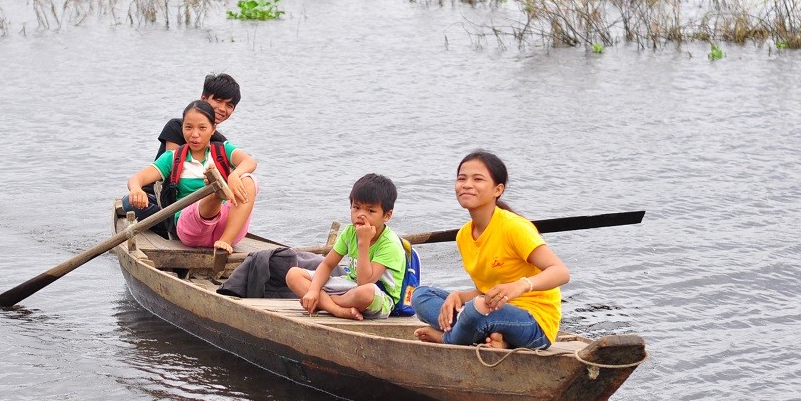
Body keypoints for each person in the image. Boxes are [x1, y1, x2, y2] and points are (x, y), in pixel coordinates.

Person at [412, 151, 570, 350]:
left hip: (533, 323)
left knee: (476, 310)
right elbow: (487, 289)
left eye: (477, 179)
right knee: (420, 295)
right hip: (489, 308)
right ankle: (492, 338)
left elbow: (561, 272)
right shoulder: (464, 235)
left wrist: (521, 285)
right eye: (462, 178)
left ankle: (448, 339)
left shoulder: (514, 227)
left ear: (498, 189)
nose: (467, 184)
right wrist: (459, 296)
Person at [125, 100, 258, 254]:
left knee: (249, 180)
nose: (195, 135)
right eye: (188, 127)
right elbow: (136, 179)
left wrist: (235, 174)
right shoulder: (173, 157)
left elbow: (250, 161)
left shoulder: (223, 151)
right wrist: (136, 189)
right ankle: (215, 190)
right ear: (182, 128)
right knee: (215, 192)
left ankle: (225, 241)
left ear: (213, 129)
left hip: (225, 232)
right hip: (192, 230)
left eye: (202, 128)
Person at [122, 73, 242, 229]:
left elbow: (245, 164)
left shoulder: (221, 144)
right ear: (203, 99)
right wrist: (137, 190)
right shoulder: (175, 128)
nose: (222, 109)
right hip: (163, 198)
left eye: (229, 105)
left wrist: (234, 176)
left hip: (202, 203)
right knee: (129, 203)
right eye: (218, 101)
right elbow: (175, 177)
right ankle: (174, 223)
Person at [285, 174, 407, 321]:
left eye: (370, 211)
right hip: (349, 287)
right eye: (356, 208)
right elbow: (327, 264)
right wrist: (313, 290)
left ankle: (326, 302)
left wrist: (363, 243)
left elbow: (364, 283)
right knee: (294, 275)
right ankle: (337, 310)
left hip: (378, 297)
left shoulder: (390, 244)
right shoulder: (349, 232)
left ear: (387, 215)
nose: (361, 215)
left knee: (365, 293)